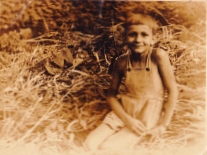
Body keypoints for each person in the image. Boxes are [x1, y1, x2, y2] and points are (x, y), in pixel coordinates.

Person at [84, 13, 178, 151]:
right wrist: (127, 119)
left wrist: (162, 125)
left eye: (144, 35)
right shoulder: (121, 62)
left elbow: (172, 91)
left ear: (153, 39)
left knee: (107, 148)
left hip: (146, 117)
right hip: (123, 112)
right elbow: (111, 96)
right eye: (132, 34)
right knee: (89, 144)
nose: (138, 39)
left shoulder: (157, 56)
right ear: (125, 38)